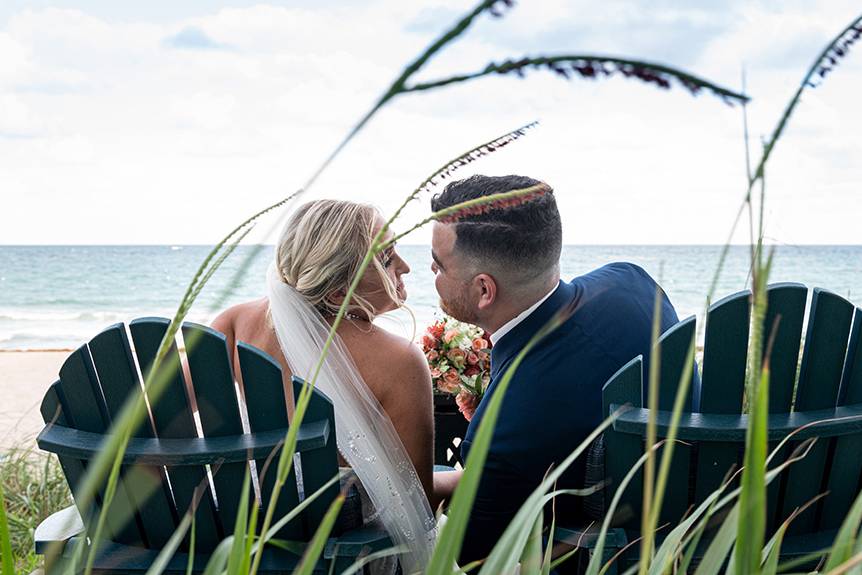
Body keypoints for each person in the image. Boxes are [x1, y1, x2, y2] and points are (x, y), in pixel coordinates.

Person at [429, 175, 687, 565]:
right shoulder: (632, 281)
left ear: (484, 290)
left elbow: (474, 557)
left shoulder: (508, 415)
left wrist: (443, 483)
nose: (431, 277)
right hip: (691, 522)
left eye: (438, 266)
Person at [212, 199, 437, 573]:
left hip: (246, 538)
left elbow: (157, 421)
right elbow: (418, 504)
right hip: (343, 555)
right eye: (386, 260)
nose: (406, 267)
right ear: (336, 293)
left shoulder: (235, 323)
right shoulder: (401, 361)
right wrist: (466, 478)